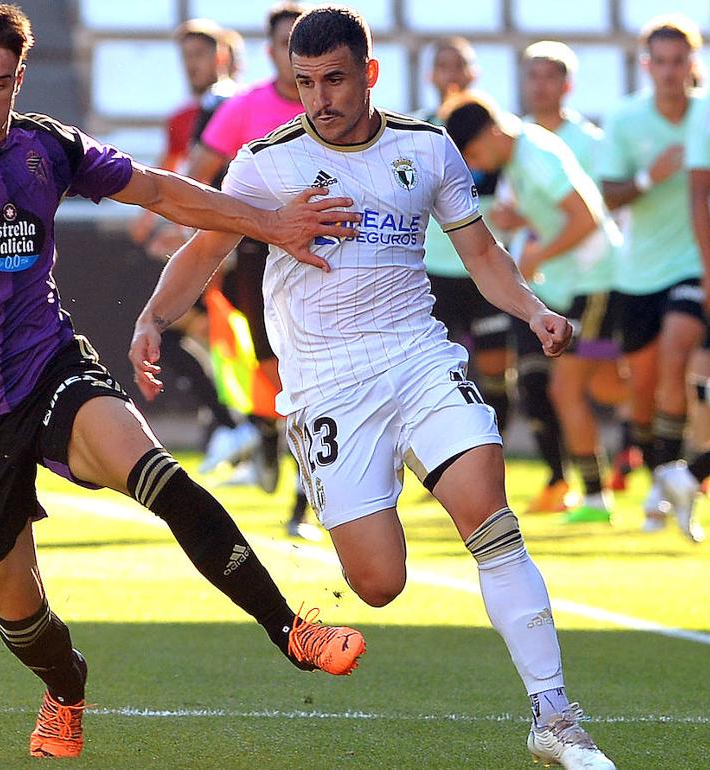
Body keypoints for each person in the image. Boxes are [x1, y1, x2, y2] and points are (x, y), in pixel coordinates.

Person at [0, 1, 366, 759]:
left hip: (46, 365)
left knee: (161, 478)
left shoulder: (46, 146)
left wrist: (271, 222)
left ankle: (292, 630)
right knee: (21, 616)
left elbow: (159, 191)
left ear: (20, 78)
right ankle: (65, 688)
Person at [130, 8, 615, 768]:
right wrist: (154, 317)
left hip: (417, 356)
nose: (319, 97)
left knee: (489, 510)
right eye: (305, 83)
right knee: (380, 581)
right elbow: (204, 247)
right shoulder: (265, 162)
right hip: (326, 386)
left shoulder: (427, 149)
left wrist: (533, 306)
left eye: (334, 79)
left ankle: (555, 718)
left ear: (369, 74)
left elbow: (483, 253)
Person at [183, 3, 321, 537]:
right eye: (289, 45)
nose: (298, 56)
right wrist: (201, 247)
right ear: (272, 52)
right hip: (258, 260)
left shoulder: (341, 109)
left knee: (311, 379)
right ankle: (265, 432)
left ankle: (304, 504)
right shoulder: (244, 109)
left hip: (326, 258)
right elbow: (198, 178)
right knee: (271, 371)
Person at [493, 42, 629, 523]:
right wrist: (516, 225)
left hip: (588, 276)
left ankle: (615, 473)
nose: (540, 85)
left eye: (550, 76)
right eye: (532, 76)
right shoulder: (516, 141)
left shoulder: (585, 141)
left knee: (601, 383)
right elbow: (518, 212)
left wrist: (540, 247)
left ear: (568, 84)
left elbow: (593, 210)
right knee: (543, 384)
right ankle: (569, 483)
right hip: (544, 282)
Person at [126, 18, 253, 474]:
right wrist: (149, 219)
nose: (191, 65)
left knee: (204, 334)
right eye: (186, 58)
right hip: (205, 233)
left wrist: (180, 229)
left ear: (222, 57)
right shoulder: (185, 115)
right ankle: (240, 428)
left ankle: (243, 427)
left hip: (229, 237)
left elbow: (209, 176)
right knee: (206, 334)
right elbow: (173, 170)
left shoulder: (231, 105)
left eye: (199, 55)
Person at [596, 15, 707, 531]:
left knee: (675, 358)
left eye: (678, 60)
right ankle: (664, 478)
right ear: (647, 66)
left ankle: (673, 478)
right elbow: (609, 194)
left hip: (696, 263)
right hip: (636, 272)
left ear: (693, 63)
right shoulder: (624, 119)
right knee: (641, 394)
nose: (669, 71)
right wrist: (649, 176)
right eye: (659, 62)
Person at [415, 38, 523, 504]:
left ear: (475, 72)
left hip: (481, 270)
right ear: (429, 75)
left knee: (497, 373)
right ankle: (444, 468)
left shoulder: (495, 133)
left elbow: (512, 197)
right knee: (434, 376)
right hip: (433, 271)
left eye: (460, 64)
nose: (451, 72)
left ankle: (487, 465)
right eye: (442, 64)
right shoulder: (415, 135)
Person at [655, 78, 710, 542]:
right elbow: (699, 191)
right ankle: (689, 470)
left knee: (704, 371)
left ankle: (692, 471)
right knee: (696, 367)